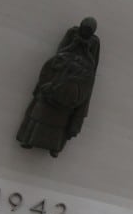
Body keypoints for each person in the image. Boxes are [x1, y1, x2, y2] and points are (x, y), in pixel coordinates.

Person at [17, 17, 100, 157]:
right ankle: (29, 139)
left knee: (62, 117)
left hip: (77, 78)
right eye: (84, 29)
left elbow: (93, 64)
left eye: (88, 31)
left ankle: (54, 147)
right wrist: (74, 45)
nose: (85, 32)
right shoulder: (73, 33)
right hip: (61, 69)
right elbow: (60, 52)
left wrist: (85, 51)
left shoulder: (94, 42)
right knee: (42, 109)